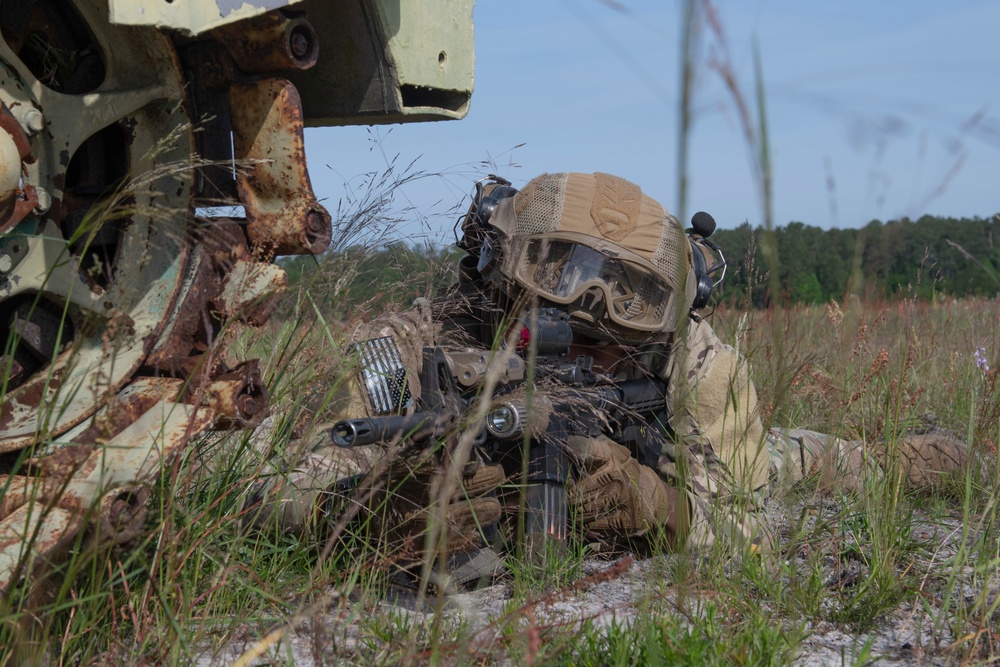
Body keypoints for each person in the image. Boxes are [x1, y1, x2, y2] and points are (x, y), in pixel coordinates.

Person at [245, 172, 974, 582]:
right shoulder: (414, 345)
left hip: (682, 459)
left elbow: (744, 514)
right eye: (556, 290)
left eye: (616, 334)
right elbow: (284, 481)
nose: (586, 343)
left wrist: (658, 505)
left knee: (790, 460)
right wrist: (364, 514)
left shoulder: (695, 362)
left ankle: (901, 457)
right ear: (498, 270)